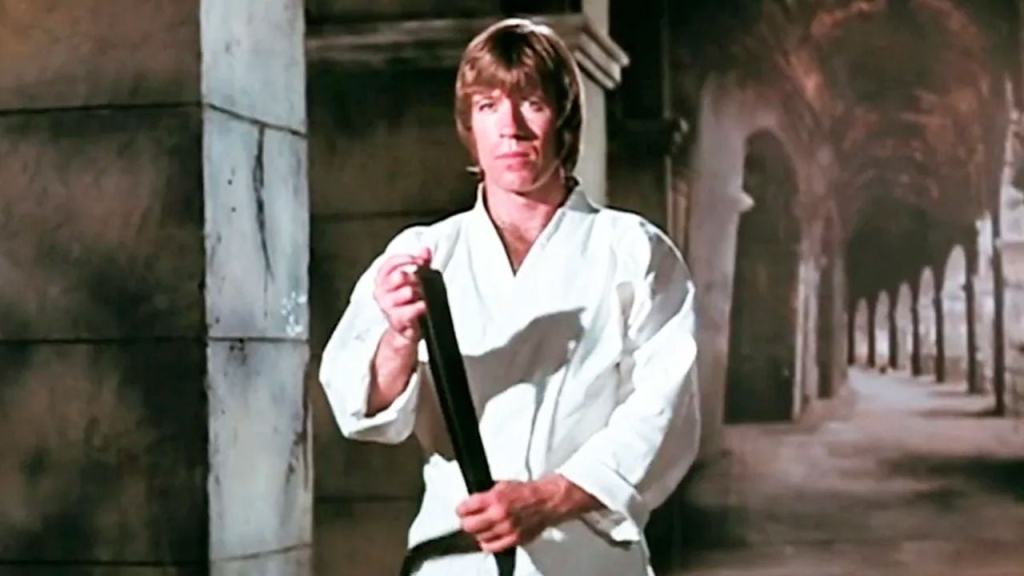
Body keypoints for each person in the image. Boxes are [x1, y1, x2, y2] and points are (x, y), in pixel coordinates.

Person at [319, 17, 700, 576]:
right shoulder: (425, 254)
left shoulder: (634, 251)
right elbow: (360, 408)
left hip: (585, 561)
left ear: (564, 120)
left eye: (533, 104)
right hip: (455, 560)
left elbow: (664, 410)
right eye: (489, 106)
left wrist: (549, 498)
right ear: (468, 125)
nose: (512, 128)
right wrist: (399, 338)